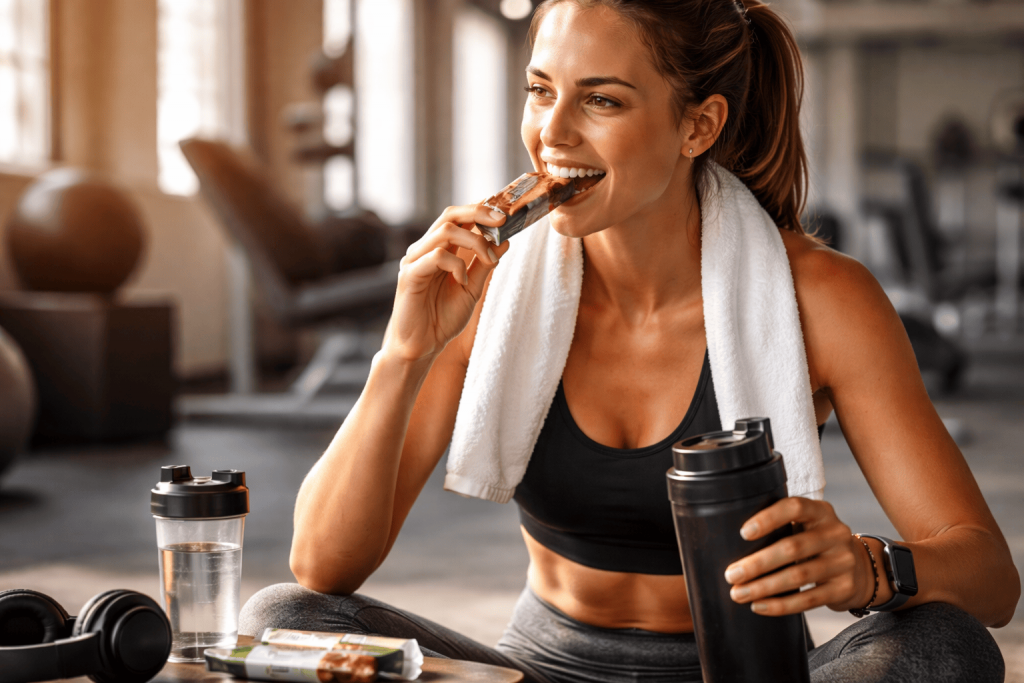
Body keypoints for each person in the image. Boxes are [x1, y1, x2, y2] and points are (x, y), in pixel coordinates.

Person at [240, 1, 1020, 681]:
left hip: (753, 668)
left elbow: (988, 575)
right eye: (539, 91)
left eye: (602, 101)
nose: (551, 133)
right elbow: (322, 567)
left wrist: (870, 568)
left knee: (944, 646)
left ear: (697, 125)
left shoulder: (820, 295)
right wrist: (405, 350)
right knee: (288, 615)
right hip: (540, 667)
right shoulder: (488, 286)